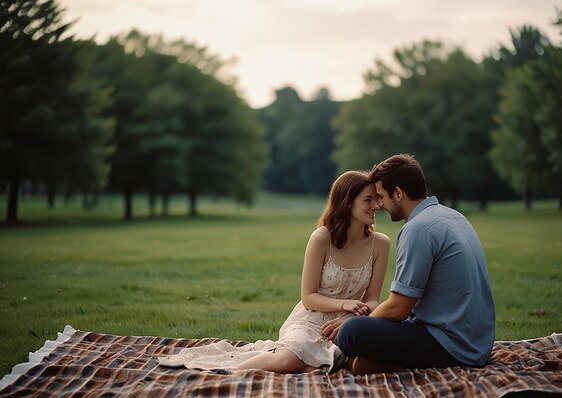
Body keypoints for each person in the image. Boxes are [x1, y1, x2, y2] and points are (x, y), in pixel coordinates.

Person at [159, 171, 390, 373]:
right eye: (368, 200)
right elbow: (308, 297)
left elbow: (372, 300)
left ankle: (318, 365)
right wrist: (344, 304)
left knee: (376, 357)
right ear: (347, 203)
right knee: (287, 359)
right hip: (311, 322)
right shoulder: (322, 238)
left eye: (377, 200)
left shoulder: (380, 244)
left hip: (350, 324)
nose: (376, 206)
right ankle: (231, 373)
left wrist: (350, 317)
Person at [335, 154, 495, 374]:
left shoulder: (418, 229)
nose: (379, 205)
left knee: (350, 332)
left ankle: (394, 363)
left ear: (398, 193)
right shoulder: (453, 216)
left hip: (451, 346)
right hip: (478, 344)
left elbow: (399, 308)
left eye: (381, 197)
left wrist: (352, 323)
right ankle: (382, 362)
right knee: (365, 326)